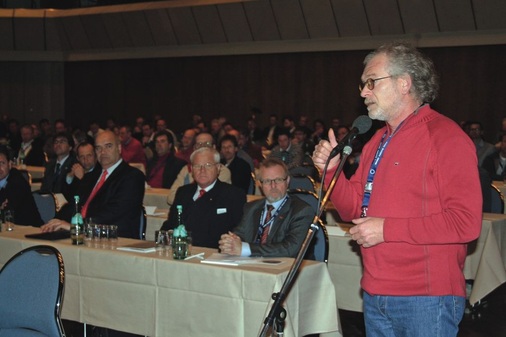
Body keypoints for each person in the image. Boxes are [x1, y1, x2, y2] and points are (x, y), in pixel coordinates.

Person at [312, 42, 482, 337]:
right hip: (375, 293)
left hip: (427, 298)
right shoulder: (377, 140)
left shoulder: (445, 137)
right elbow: (353, 208)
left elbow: (465, 223)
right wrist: (330, 173)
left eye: (371, 82)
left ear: (404, 83)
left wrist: (387, 230)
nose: (363, 92)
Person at [41, 130, 145, 240]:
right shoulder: (92, 175)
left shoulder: (132, 176)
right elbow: (74, 203)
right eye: (98, 148)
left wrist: (77, 226)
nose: (103, 152)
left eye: (108, 146)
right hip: (83, 234)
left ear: (119, 148)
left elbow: (114, 213)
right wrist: (55, 222)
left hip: (113, 238)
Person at [219, 158, 314, 257]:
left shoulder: (301, 210)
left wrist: (247, 249)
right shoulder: (251, 208)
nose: (273, 186)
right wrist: (229, 243)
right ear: (260, 184)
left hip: (287, 268)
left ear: (288, 181)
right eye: (267, 181)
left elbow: (291, 249)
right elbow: (238, 235)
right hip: (253, 266)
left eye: (278, 180)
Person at [161, 147, 246, 249]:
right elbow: (170, 224)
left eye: (208, 165)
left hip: (214, 255)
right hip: (181, 251)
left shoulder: (233, 195)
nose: (202, 170)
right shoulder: (183, 192)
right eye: (197, 166)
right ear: (192, 169)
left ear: (218, 168)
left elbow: (239, 232)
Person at [167, 132, 232, 206]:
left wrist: (184, 197)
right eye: (199, 144)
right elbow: (171, 198)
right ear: (194, 148)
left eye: (207, 144)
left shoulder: (221, 170)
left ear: (214, 147)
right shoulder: (186, 169)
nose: (203, 147)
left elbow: (212, 199)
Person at [0, 147, 43, 226]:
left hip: (29, 230)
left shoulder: (17, 182)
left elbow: (8, 211)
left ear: (10, 165)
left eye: (2, 163)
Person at [40, 132, 77, 200]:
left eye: (62, 142)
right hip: (48, 202)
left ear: (70, 147)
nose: (58, 144)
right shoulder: (49, 164)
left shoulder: (74, 165)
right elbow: (44, 187)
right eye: (56, 142)